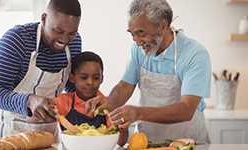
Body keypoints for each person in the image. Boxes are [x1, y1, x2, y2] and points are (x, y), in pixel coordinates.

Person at [85, 0, 211, 144]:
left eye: (141, 33)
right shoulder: (139, 49)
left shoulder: (195, 54)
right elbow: (125, 86)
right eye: (132, 35)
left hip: (188, 144)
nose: (137, 42)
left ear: (163, 26)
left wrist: (138, 112)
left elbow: (186, 110)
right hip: (146, 143)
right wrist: (109, 103)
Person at [0, 0, 81, 141]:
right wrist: (29, 101)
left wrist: (87, 100)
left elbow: (70, 84)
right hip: (12, 132)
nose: (64, 39)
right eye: (58, 31)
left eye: (72, 33)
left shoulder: (74, 43)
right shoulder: (17, 40)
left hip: (49, 135)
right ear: (43, 18)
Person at [28, 51, 128, 146]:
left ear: (102, 79)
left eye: (96, 77)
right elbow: (31, 119)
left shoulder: (108, 104)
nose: (90, 82)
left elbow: (121, 142)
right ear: (72, 78)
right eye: (84, 77)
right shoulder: (64, 101)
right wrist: (44, 110)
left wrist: (123, 127)